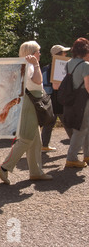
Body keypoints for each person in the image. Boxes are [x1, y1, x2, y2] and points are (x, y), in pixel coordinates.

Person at [0, 41, 53, 184]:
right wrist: (37, 64)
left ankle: (36, 172)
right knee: (27, 138)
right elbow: (38, 80)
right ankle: (4, 168)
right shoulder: (30, 66)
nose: (40, 54)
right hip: (30, 104)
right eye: (38, 51)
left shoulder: (25, 65)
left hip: (30, 103)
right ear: (32, 53)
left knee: (35, 140)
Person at [41, 45, 73, 152]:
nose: (66, 54)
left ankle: (44, 145)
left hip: (49, 98)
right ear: (59, 55)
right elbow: (56, 86)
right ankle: (75, 145)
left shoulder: (47, 67)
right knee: (67, 122)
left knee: (49, 123)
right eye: (64, 53)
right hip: (59, 99)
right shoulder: (58, 67)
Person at [63, 38, 89, 168]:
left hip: (72, 99)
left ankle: (87, 154)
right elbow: (88, 85)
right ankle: (71, 158)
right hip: (83, 100)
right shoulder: (85, 65)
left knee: (85, 127)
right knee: (81, 128)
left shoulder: (68, 63)